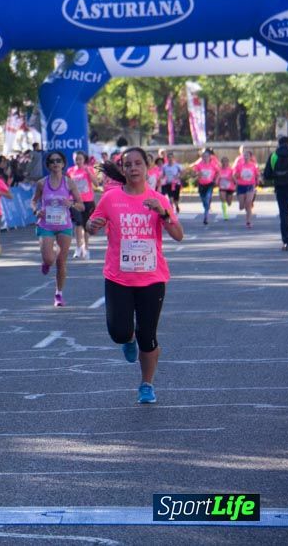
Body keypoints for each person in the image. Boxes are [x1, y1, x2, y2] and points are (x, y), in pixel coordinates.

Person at [87, 148, 184, 404]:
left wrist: (163, 213)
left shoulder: (159, 199)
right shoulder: (110, 199)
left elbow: (178, 235)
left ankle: (146, 384)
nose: (133, 168)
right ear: (123, 169)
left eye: (138, 163)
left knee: (148, 336)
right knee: (119, 332)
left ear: (147, 167)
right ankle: (127, 339)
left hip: (152, 279)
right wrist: (92, 226)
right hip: (118, 277)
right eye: (127, 164)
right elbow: (92, 224)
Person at [33, 151, 84, 307]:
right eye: (52, 161)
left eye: (58, 161)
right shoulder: (42, 183)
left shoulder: (69, 183)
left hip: (64, 226)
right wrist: (36, 210)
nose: (55, 163)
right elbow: (34, 201)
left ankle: (58, 294)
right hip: (46, 225)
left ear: (63, 164)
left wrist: (72, 205)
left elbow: (81, 205)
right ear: (48, 165)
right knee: (49, 259)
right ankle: (47, 261)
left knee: (61, 261)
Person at [263, 135, 288, 251]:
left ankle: (286, 242)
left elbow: (267, 175)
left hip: (280, 190)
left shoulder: (273, 156)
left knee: (284, 216)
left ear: (279, 144)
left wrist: (277, 177)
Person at [67, 150, 98, 260]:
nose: (78, 161)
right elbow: (68, 186)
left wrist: (89, 173)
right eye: (76, 159)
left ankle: (86, 248)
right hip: (76, 201)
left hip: (88, 201)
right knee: (78, 224)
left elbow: (96, 184)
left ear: (84, 159)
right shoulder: (70, 171)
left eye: (80, 159)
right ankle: (78, 247)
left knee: (86, 226)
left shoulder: (88, 169)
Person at [233, 146, 259, 229]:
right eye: (244, 155)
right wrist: (236, 181)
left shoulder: (253, 166)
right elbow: (234, 175)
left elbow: (257, 175)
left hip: (250, 185)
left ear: (250, 157)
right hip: (241, 186)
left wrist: (258, 180)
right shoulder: (239, 165)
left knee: (248, 203)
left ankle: (248, 221)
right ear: (242, 156)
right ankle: (243, 204)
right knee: (241, 206)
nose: (246, 157)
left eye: (247, 155)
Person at [190, 150, 219, 225]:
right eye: (204, 156)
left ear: (210, 157)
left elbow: (218, 172)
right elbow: (193, 174)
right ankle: (207, 208)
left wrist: (216, 179)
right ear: (202, 157)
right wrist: (197, 173)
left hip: (210, 184)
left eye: (207, 156)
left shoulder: (213, 164)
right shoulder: (199, 165)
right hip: (201, 185)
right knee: (204, 201)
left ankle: (206, 216)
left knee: (207, 198)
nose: (205, 158)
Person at [216, 156, 236, 221]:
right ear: (221, 162)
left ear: (228, 162)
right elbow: (217, 178)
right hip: (222, 187)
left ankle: (228, 203)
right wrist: (216, 181)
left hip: (230, 187)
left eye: (226, 161)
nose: (225, 163)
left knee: (229, 203)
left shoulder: (231, 170)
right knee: (223, 200)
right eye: (223, 161)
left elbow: (234, 178)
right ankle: (225, 214)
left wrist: (231, 179)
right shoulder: (219, 170)